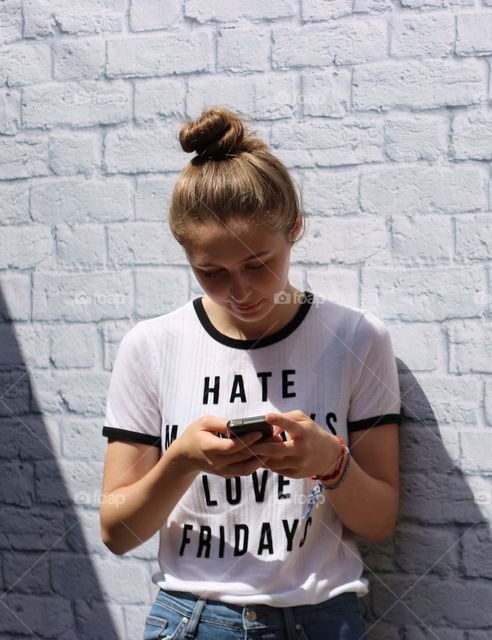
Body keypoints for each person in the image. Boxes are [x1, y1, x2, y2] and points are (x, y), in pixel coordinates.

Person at [98, 105, 402, 639]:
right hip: (191, 620)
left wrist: (330, 462)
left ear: (295, 229)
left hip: (321, 620)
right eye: (210, 272)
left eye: (258, 264)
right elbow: (117, 533)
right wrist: (183, 461)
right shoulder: (151, 346)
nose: (239, 292)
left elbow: (378, 521)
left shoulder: (356, 338)